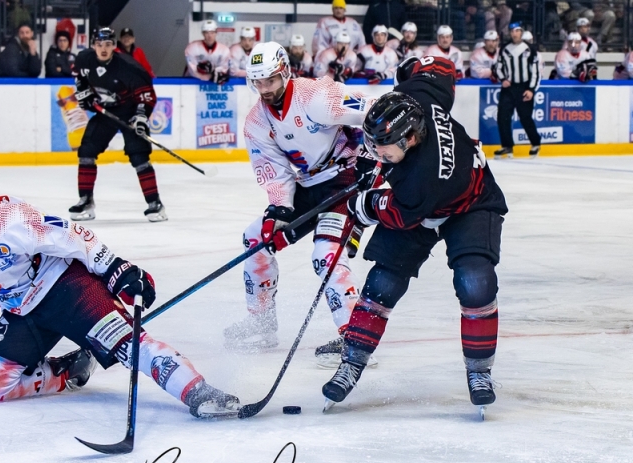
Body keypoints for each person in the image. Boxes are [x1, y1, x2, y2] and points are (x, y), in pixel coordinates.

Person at [0, 182, 240, 417]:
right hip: (24, 311)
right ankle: (69, 371)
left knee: (130, 346)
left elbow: (72, 235)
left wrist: (116, 268)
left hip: (68, 288)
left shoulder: (8, 220)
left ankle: (197, 391)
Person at [321, 56, 508, 414]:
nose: (375, 150)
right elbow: (437, 68)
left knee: (475, 281)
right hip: (419, 203)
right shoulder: (413, 97)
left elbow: (397, 211)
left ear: (409, 139)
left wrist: (362, 207)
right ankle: (352, 362)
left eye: (383, 147)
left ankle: (479, 371)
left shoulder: (423, 178)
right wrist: (410, 68)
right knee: (382, 283)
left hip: (470, 205)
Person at [227, 41, 376, 369]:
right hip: (310, 184)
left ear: (285, 72)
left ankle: (355, 337)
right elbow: (276, 172)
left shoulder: (317, 96)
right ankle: (261, 324)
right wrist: (279, 209)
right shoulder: (256, 122)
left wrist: (370, 156)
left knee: (325, 254)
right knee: (256, 240)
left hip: (346, 178)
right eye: (258, 83)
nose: (264, 89)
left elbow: (376, 112)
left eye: (270, 80)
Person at [69, 27, 167, 223]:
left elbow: (147, 95)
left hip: (129, 112)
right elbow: (80, 77)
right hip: (106, 112)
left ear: (114, 46)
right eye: (99, 44)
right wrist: (84, 93)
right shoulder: (83, 59)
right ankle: (86, 201)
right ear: (92, 45)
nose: (103, 49)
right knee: (87, 150)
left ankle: (155, 204)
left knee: (139, 155)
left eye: (107, 44)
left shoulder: (128, 67)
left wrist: (140, 117)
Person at [494, 22, 541, 159]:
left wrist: (531, 89)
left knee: (525, 117)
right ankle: (507, 146)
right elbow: (498, 67)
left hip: (524, 87)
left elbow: (535, 72)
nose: (514, 34)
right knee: (503, 116)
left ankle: (535, 143)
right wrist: (503, 79)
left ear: (521, 32)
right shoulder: (504, 48)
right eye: (512, 31)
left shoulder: (530, 49)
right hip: (509, 88)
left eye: (517, 31)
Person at [184, 19, 230, 84]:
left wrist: (213, 73)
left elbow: (224, 68)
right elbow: (192, 70)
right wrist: (207, 73)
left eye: (212, 32)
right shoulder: (192, 48)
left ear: (216, 33)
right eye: (207, 32)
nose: (210, 36)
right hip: (191, 82)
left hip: (213, 82)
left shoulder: (224, 50)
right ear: (203, 33)